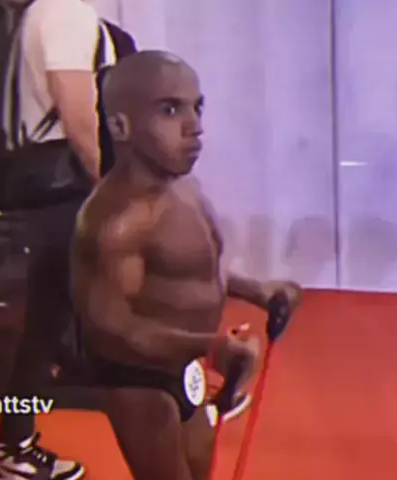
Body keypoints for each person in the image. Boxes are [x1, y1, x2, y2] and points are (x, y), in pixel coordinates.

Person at [71, 50, 302, 480]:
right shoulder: (116, 220)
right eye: (170, 110)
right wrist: (212, 346)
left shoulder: (185, 189)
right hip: (139, 381)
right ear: (120, 126)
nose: (194, 125)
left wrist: (257, 291)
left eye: (197, 107)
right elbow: (109, 329)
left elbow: (188, 272)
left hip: (186, 366)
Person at [0, 0, 104, 478]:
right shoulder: (65, 11)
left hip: (29, 179)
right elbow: (76, 112)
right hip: (59, 185)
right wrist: (111, 185)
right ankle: (13, 447)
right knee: (44, 324)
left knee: (46, 321)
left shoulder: (30, 12)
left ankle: (14, 443)